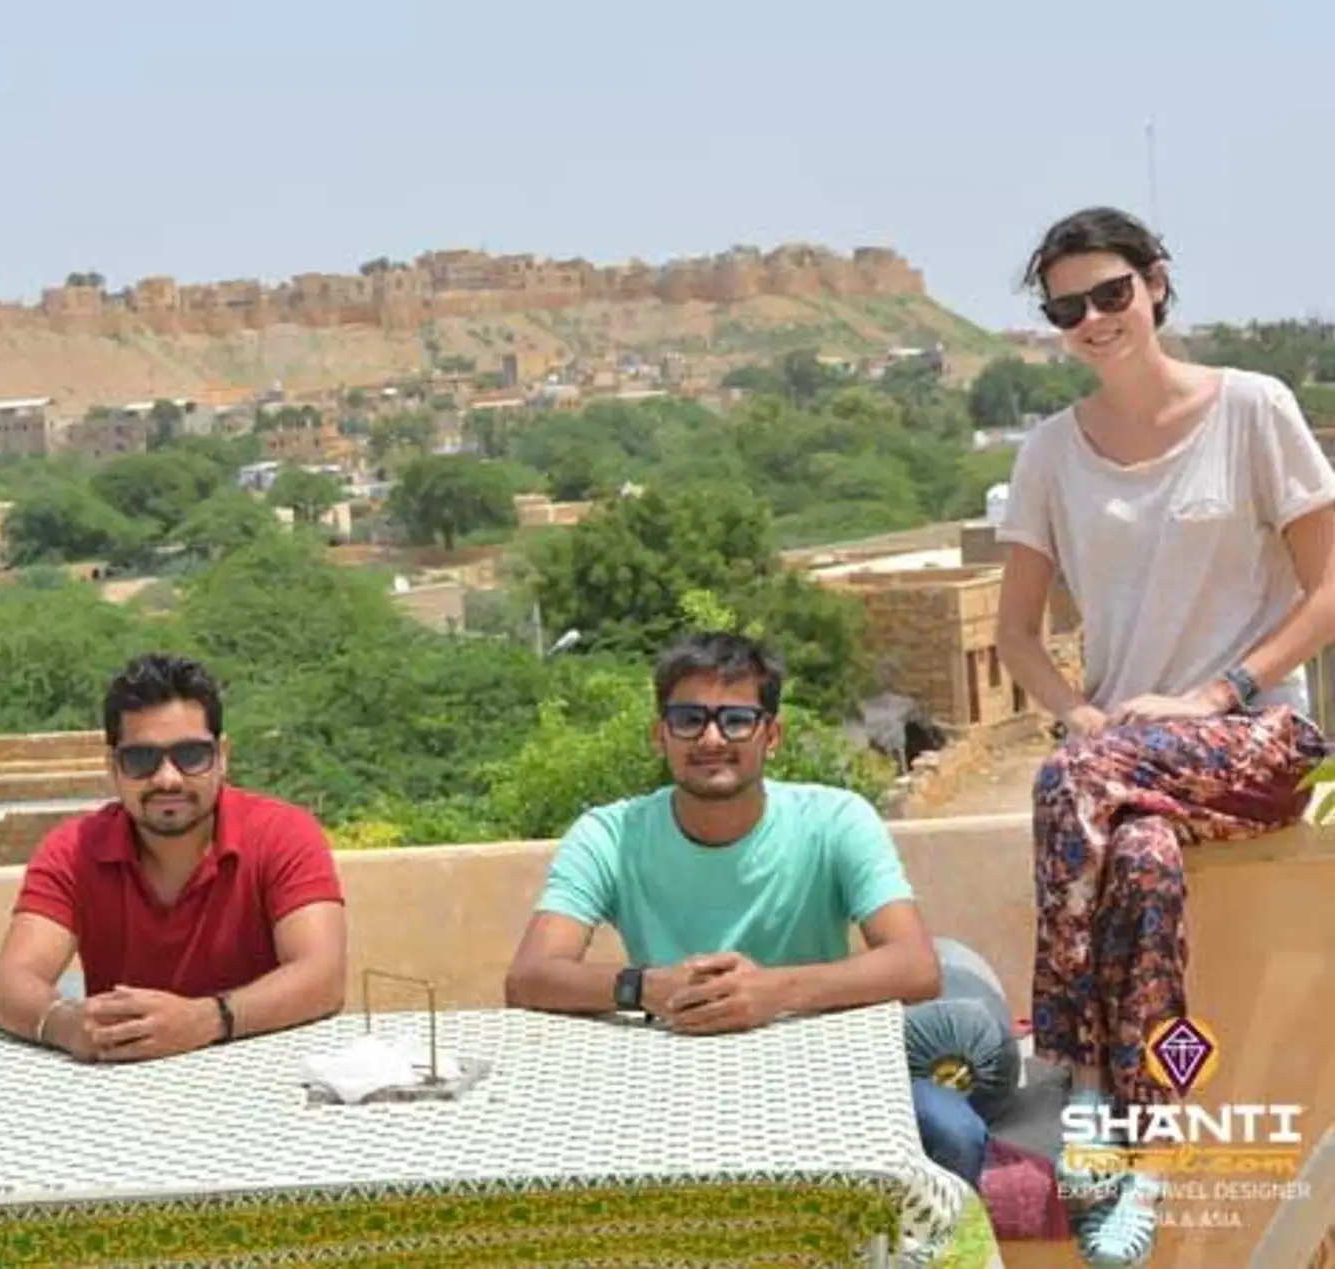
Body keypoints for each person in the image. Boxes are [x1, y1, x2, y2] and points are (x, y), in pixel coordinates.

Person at [995, 206, 1335, 1264]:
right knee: (1139, 862)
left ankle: (1071, 1078)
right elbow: (1016, 633)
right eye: (1068, 308)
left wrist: (1218, 694)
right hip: (1123, 774)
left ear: (1155, 282)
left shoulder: (1253, 409)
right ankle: (1143, 1156)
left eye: (1112, 293)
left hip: (1256, 742)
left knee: (1070, 780)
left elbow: (1329, 587)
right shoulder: (1052, 452)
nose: (1095, 319)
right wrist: (1079, 712)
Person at [503, 631, 988, 1190]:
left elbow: (916, 966)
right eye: (689, 719)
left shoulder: (835, 821)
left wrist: (772, 993)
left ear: (771, 735)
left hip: (824, 1075)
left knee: (953, 1132)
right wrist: (648, 987)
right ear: (660, 735)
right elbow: (530, 977)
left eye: (736, 720)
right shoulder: (609, 836)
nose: (711, 738)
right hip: (670, 1082)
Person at [0, 653, 347, 1062]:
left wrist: (206, 1021)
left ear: (222, 756)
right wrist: (67, 1025)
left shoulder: (281, 835)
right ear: (112, 766)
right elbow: (10, 983)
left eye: (191, 755)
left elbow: (323, 975)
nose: (167, 778)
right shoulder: (74, 850)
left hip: (261, 1070)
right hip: (125, 1079)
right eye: (141, 759)